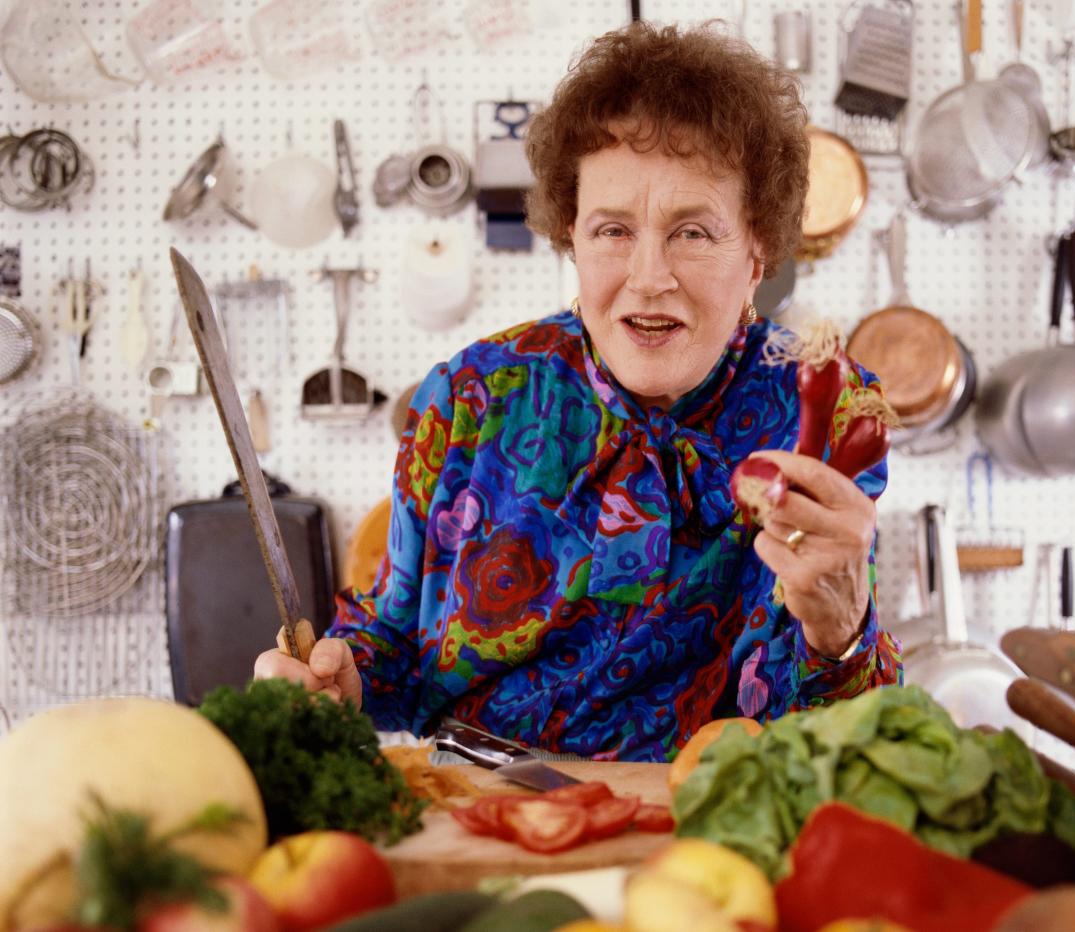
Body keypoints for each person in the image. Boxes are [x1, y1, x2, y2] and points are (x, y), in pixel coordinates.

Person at [255, 21, 901, 762]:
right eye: (612, 230)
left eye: (693, 231)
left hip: (711, 829)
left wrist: (844, 631)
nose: (649, 276)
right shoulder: (470, 396)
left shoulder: (822, 412)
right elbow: (395, 645)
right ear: (570, 235)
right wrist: (344, 681)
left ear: (758, 249)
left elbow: (851, 736)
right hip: (480, 812)